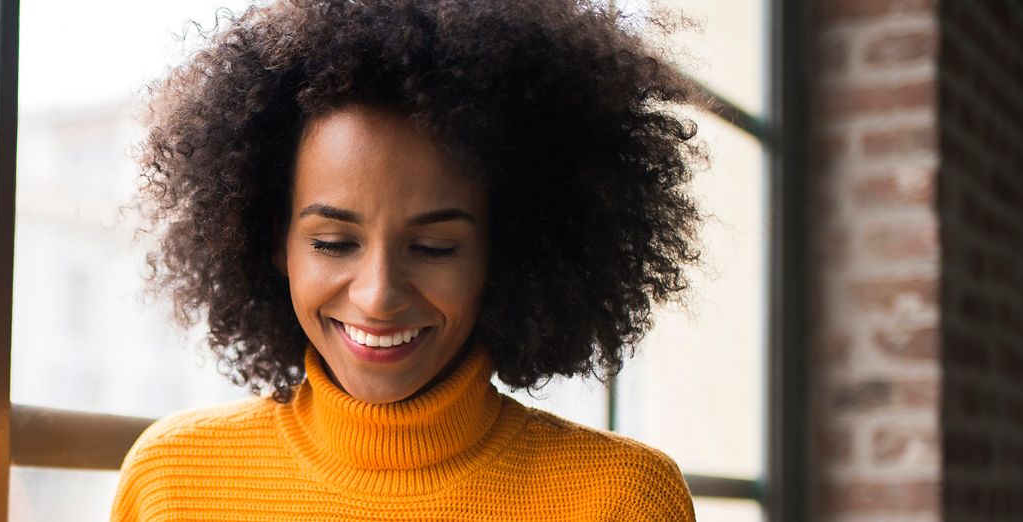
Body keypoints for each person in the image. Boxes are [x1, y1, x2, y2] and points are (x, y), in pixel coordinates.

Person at [113, 0, 705, 519]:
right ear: (275, 241)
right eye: (333, 243)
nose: (378, 295)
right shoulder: (171, 482)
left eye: (433, 248)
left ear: (505, 252)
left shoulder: (620, 499)